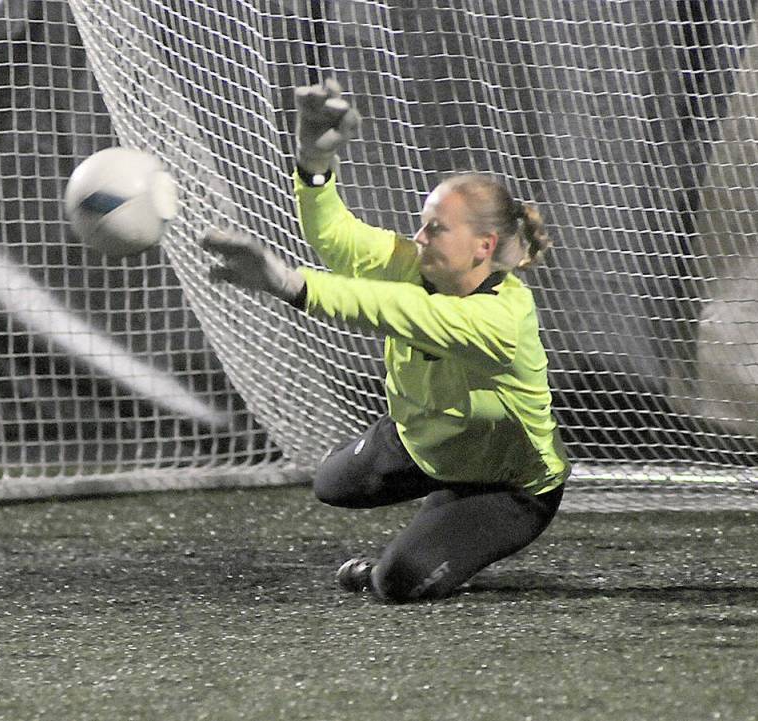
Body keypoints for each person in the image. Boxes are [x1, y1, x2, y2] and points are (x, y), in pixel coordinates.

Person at [203, 78, 571, 603]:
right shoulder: (412, 262)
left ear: (482, 246)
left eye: (435, 229)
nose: (418, 238)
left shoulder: (502, 320)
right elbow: (337, 236)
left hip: (508, 486)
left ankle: (414, 543)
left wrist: (289, 283)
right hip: (421, 442)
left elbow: (396, 309)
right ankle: (425, 474)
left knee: (396, 584)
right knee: (332, 485)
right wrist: (312, 162)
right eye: (422, 225)